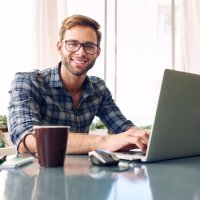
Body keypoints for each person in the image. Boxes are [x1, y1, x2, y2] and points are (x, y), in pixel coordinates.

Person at [8, 14, 149, 154]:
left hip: (82, 172)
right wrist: (105, 142)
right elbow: (26, 139)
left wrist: (147, 138)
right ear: (59, 47)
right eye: (73, 44)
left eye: (89, 46)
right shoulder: (28, 82)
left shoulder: (98, 89)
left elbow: (123, 127)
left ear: (97, 52)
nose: (81, 52)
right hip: (39, 173)